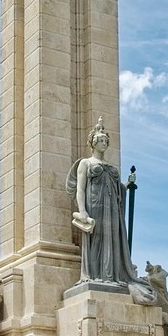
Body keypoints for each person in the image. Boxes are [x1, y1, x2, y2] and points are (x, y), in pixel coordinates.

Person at [68, 119, 139, 285]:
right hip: (94, 204)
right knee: (96, 238)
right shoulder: (85, 163)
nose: (104, 143)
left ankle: (110, 276)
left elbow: (118, 190)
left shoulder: (111, 166)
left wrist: (127, 184)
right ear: (93, 143)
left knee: (112, 239)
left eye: (105, 141)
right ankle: (94, 275)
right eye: (100, 140)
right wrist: (82, 210)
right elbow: (80, 189)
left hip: (112, 207)